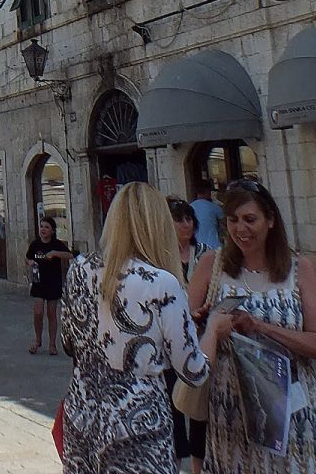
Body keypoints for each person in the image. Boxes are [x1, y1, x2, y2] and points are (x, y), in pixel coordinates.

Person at [59, 184, 228, 474]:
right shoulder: (161, 282)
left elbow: (68, 342)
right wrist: (212, 330)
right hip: (138, 424)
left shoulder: (79, 269)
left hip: (82, 415)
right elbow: (193, 371)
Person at [188, 179, 316, 474]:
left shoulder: (299, 269)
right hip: (229, 411)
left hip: (290, 411)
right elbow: (185, 337)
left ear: (270, 220)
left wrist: (260, 326)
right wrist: (203, 321)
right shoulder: (210, 265)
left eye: (250, 219)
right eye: (233, 220)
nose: (241, 229)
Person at [169, 198, 208, 474]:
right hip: (170, 342)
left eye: (189, 218)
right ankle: (176, 461)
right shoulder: (161, 258)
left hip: (200, 339)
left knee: (198, 407)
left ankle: (198, 466)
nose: (186, 224)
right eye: (180, 219)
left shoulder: (206, 255)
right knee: (173, 406)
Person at [25, 215, 71, 355]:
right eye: (41, 226)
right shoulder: (35, 244)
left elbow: (71, 255)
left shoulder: (56, 244)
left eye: (46, 227)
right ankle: (38, 340)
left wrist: (55, 253)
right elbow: (28, 257)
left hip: (53, 282)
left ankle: (52, 344)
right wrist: (30, 262)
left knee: (51, 314)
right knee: (38, 312)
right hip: (39, 282)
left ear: (52, 231)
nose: (43, 229)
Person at [191, 182, 224, 252]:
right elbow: (223, 225)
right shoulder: (215, 207)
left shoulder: (190, 207)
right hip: (213, 245)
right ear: (208, 191)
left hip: (196, 247)